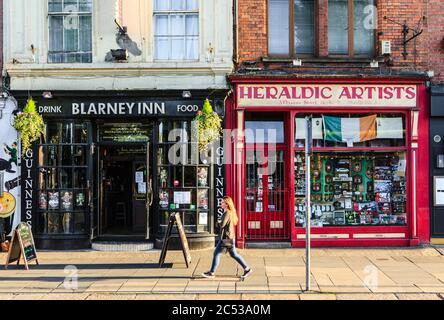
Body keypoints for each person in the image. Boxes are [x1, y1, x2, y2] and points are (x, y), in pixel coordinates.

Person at [202, 196, 252, 279]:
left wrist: (218, 221)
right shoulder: (228, 212)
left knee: (216, 253)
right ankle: (247, 269)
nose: (221, 203)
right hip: (230, 238)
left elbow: (222, 225)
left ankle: (212, 272)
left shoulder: (227, 213)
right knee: (234, 254)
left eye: (222, 202)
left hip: (226, 238)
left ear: (226, 204)